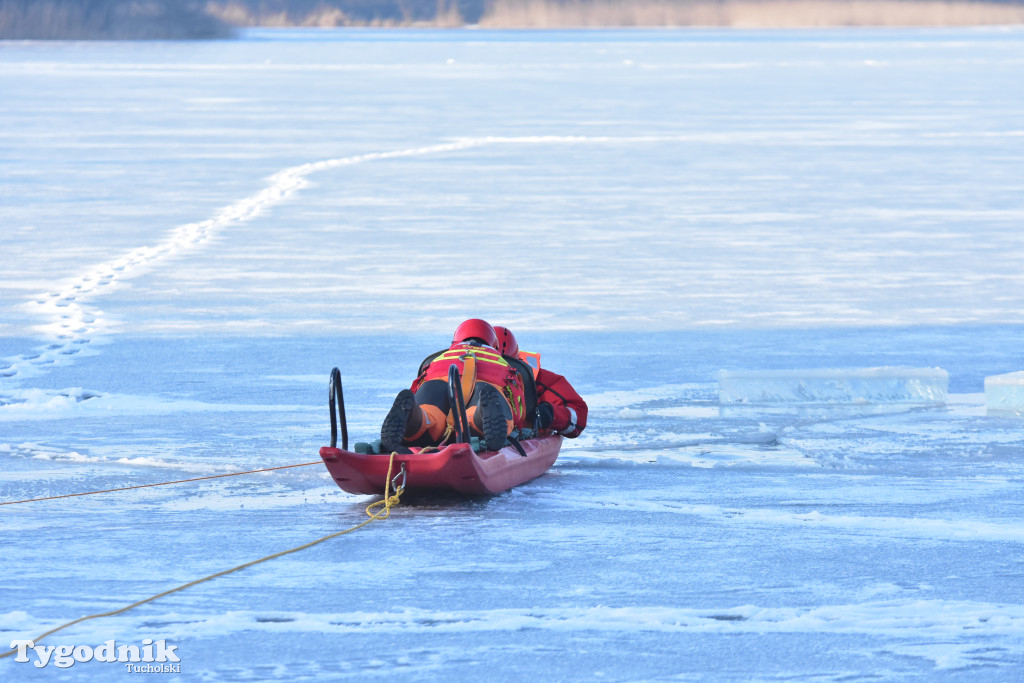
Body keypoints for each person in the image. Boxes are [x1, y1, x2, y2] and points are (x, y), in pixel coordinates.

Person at [380, 319, 527, 452]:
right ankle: (479, 416)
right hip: (485, 386)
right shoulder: (501, 361)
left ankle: (415, 416)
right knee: (472, 419)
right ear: (494, 344)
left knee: (429, 417)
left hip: (436, 385)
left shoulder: (441, 357)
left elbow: (419, 383)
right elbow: (519, 406)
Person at [492, 326, 588, 439]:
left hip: (520, 440)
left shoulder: (540, 381)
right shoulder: (466, 378)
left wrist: (550, 414)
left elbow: (578, 416)